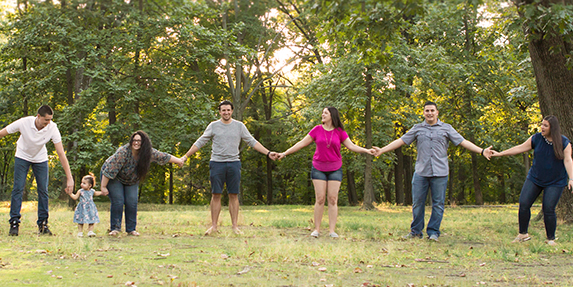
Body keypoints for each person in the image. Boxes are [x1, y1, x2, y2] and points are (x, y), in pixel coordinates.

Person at [372, 102, 491, 241]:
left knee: (438, 204)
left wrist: (482, 151)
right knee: (417, 203)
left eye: (432, 110)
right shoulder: (417, 128)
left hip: (440, 173)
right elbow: (401, 141)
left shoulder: (447, 128)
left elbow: (463, 142)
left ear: (437, 112)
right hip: (421, 172)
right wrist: (382, 150)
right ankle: (416, 232)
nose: (429, 113)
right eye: (427, 110)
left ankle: (433, 233)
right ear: (423, 113)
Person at [0, 105, 74, 236]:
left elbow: (61, 153)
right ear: (38, 117)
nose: (48, 123)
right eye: (46, 120)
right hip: (22, 156)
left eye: (50, 120)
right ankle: (14, 223)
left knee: (43, 191)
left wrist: (69, 177)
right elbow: (0, 133)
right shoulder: (24, 122)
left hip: (40, 158)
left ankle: (43, 224)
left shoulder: (52, 128)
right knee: (18, 188)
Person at [272, 106, 374, 238]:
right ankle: (317, 230)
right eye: (322, 113)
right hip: (318, 168)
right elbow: (301, 143)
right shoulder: (317, 129)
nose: (323, 114)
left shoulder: (339, 131)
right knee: (320, 199)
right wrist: (284, 153)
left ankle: (332, 231)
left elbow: (351, 146)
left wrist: (367, 151)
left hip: (335, 169)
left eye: (325, 113)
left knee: (332, 199)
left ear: (332, 115)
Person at [181, 100, 276, 235]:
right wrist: (186, 156)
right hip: (216, 163)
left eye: (228, 110)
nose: (226, 112)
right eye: (223, 110)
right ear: (219, 112)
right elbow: (201, 141)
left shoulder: (239, 126)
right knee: (216, 194)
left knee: (233, 195)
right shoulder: (213, 126)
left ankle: (235, 227)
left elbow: (252, 141)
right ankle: (214, 226)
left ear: (232, 111)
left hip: (233, 163)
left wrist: (268, 153)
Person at [485, 115, 573, 245]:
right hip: (535, 178)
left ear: (552, 128)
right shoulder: (536, 138)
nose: (542, 127)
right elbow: (519, 148)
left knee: (548, 208)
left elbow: (568, 160)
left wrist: (571, 179)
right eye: (542, 124)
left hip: (555, 181)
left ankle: (551, 239)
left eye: (545, 126)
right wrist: (500, 153)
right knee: (524, 203)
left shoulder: (564, 142)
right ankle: (523, 234)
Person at [98, 130, 185, 236]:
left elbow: (163, 156)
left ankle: (131, 229)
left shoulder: (148, 152)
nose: (136, 143)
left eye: (139, 141)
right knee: (118, 201)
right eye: (134, 140)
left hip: (131, 179)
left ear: (144, 142)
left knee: (132, 202)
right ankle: (115, 228)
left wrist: (179, 161)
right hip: (113, 177)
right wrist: (103, 187)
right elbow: (109, 171)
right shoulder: (123, 152)